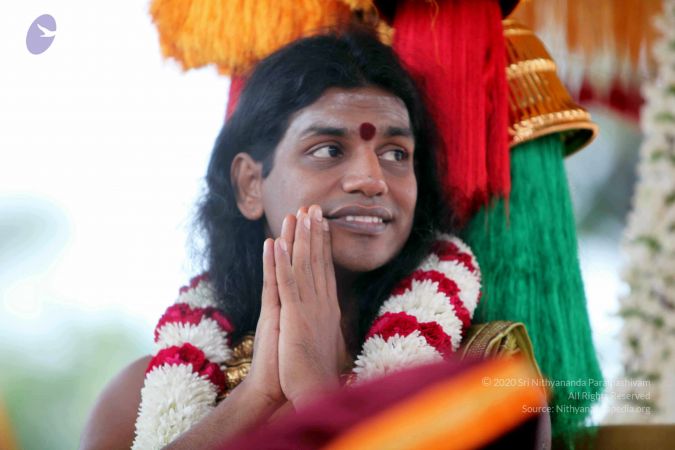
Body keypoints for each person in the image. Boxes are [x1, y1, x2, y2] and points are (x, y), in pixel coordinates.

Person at [79, 27, 456, 449]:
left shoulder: (475, 379)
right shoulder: (136, 401)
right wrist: (256, 396)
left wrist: (317, 394)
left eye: (395, 154)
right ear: (250, 185)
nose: (372, 180)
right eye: (329, 150)